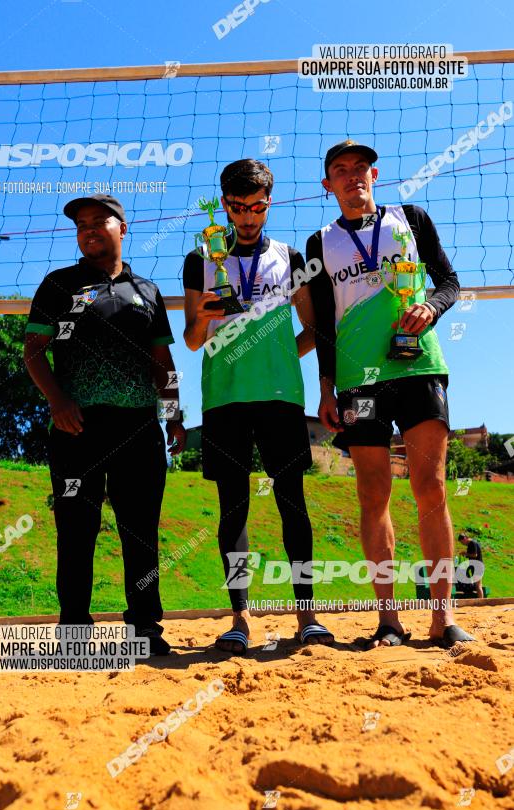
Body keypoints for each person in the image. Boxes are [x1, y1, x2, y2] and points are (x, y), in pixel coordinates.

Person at [306, 139, 474, 650]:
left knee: (432, 487)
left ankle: (442, 617)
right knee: (372, 493)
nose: (353, 175)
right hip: (359, 380)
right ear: (328, 184)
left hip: (419, 365)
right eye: (341, 169)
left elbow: (449, 281)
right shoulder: (319, 243)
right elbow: (325, 325)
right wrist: (327, 388)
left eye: (361, 167)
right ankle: (388, 620)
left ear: (374, 175)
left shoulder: (411, 218)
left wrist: (432, 308)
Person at [183, 158, 334, 654]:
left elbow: (311, 329)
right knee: (234, 507)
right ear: (224, 205)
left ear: (269, 204)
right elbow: (189, 340)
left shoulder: (290, 258)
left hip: (280, 396)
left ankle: (306, 615)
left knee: (293, 501)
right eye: (238, 207)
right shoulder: (200, 258)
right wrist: (204, 317)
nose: (248, 217)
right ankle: (240, 618)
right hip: (223, 396)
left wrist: (275, 355)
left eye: (257, 207)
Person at [24, 194, 185, 656]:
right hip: (78, 427)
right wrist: (58, 401)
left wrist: (173, 414)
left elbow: (163, 359)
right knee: (76, 528)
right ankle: (74, 629)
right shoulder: (59, 284)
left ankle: (145, 628)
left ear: (123, 227)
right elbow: (34, 351)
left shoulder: (148, 291)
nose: (89, 229)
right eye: (81, 224)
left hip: (139, 427)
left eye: (100, 221)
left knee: (141, 531)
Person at [457, 532, 484, 598]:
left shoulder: (472, 543)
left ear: (465, 538)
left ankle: (481, 600)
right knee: (478, 585)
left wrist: (465, 553)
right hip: (476, 566)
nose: (462, 544)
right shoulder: (471, 544)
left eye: (462, 542)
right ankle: (481, 600)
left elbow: (475, 555)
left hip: (477, 567)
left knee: (478, 586)